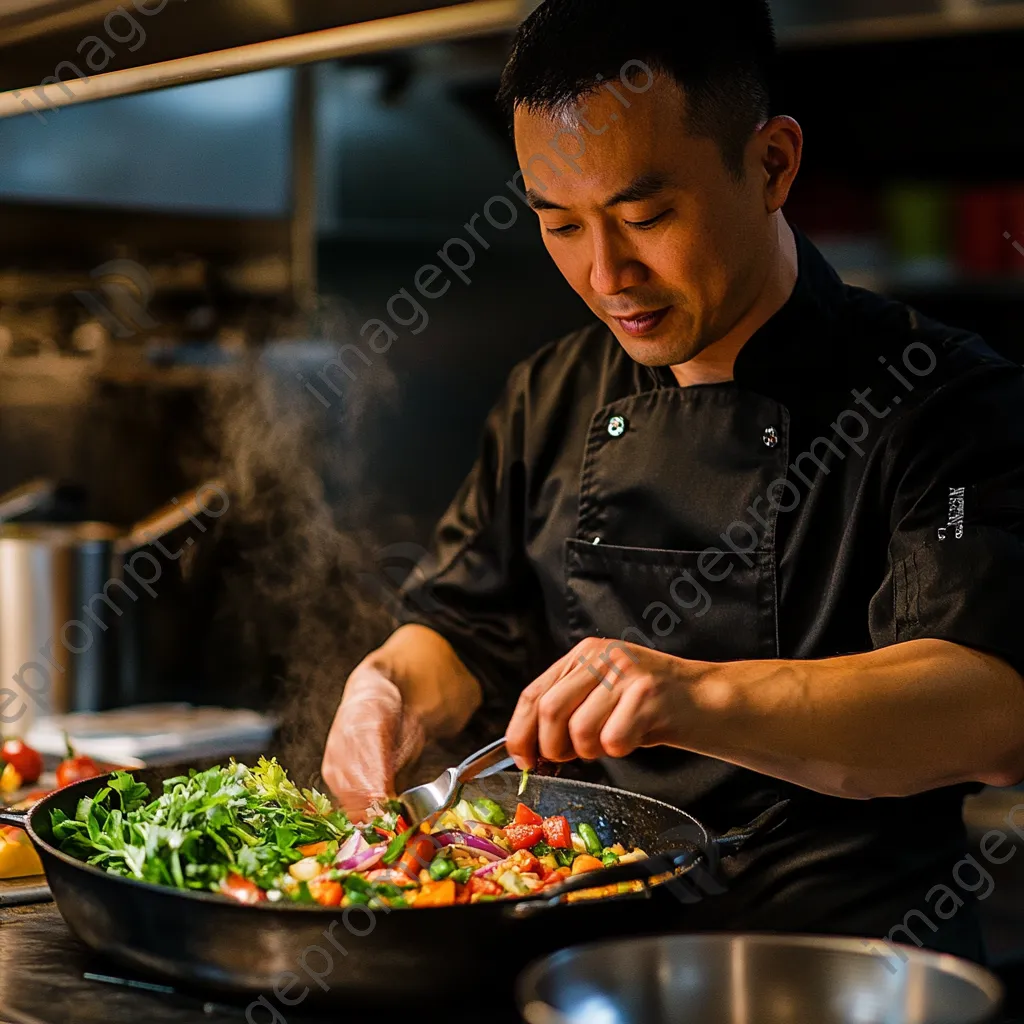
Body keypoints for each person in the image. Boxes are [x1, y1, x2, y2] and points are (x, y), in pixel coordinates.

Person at [322, 0, 1024, 958]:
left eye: (646, 216)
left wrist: (688, 696)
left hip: (840, 966)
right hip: (586, 962)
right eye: (561, 225)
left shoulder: (941, 395)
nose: (608, 272)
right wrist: (384, 692)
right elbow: (459, 629)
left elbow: (990, 712)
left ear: (773, 164)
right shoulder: (552, 392)